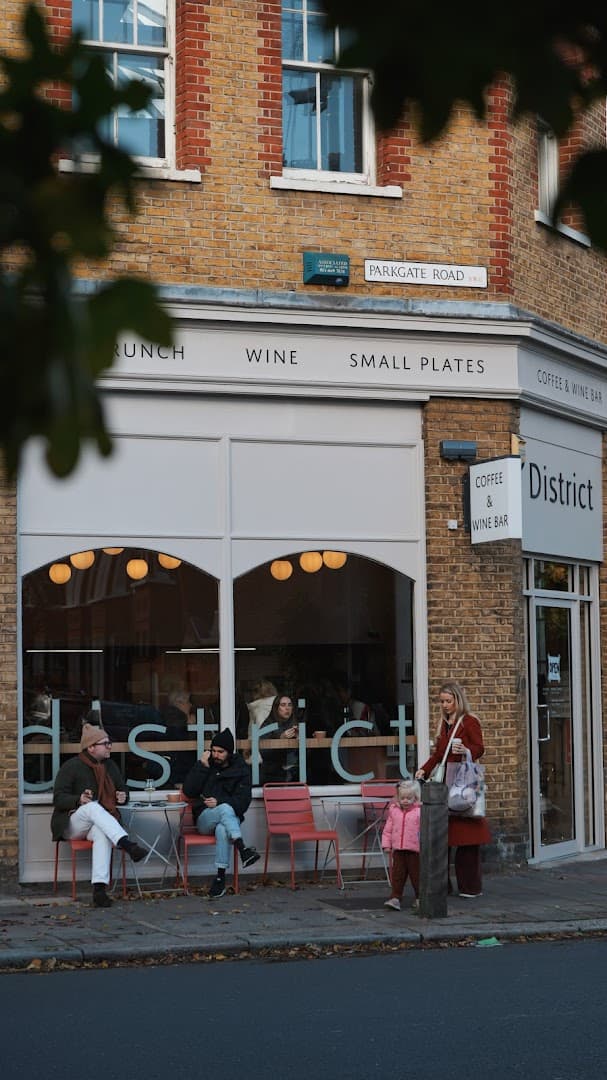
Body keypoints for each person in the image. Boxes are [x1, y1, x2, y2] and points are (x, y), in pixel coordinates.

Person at [51, 723, 146, 908]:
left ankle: (99, 891)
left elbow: (122, 789)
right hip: (72, 824)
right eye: (105, 743)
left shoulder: (110, 766)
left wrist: (123, 796)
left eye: (109, 743)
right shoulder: (72, 766)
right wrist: (79, 799)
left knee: (102, 833)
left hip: (99, 823)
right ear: (91, 747)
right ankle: (127, 844)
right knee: (92, 807)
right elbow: (58, 798)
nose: (110, 746)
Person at [415, 680, 491, 898]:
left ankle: (470, 886)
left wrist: (466, 749)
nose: (445, 705)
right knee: (443, 837)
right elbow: (439, 754)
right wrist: (424, 770)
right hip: (447, 783)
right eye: (442, 701)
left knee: (467, 837)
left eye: (449, 701)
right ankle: (444, 885)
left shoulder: (469, 722)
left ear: (458, 700)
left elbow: (479, 748)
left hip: (462, 782)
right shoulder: (444, 724)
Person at [182, 728, 260, 898]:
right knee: (225, 809)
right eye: (213, 751)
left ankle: (220, 879)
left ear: (229, 753)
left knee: (223, 829)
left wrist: (220, 801)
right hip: (205, 819)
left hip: (228, 820)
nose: (216, 755)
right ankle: (242, 848)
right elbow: (189, 791)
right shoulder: (207, 765)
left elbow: (243, 802)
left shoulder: (241, 770)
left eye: (220, 752)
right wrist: (202, 766)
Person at [382, 779, 422, 912]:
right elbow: (388, 829)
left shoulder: (419, 812)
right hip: (398, 849)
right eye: (402, 798)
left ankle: (420, 897)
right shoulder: (394, 811)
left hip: (415, 850)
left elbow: (424, 831)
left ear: (415, 797)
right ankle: (395, 897)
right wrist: (386, 845)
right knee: (397, 875)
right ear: (398, 797)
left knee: (417, 875)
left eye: (409, 798)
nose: (405, 801)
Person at [259, 694, 299, 782]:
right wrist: (280, 738)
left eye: (290, 705)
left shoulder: (295, 724)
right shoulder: (268, 725)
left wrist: (299, 738)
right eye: (283, 705)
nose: (287, 708)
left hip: (295, 772)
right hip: (272, 774)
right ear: (276, 708)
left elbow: (303, 754)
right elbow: (264, 752)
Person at [161, 689, 197, 786]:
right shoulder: (177, 718)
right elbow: (182, 742)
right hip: (177, 769)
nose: (190, 705)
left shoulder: (173, 716)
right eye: (188, 702)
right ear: (179, 703)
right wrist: (190, 725)